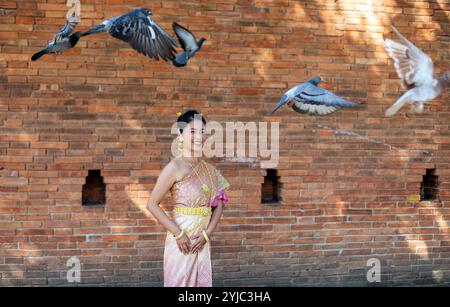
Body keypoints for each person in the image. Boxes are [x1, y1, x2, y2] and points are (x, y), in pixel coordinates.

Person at [146, 110, 230, 287]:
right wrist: (179, 234)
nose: (198, 136)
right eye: (192, 131)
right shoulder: (174, 167)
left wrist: (207, 234)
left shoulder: (209, 170)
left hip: (201, 241)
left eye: (202, 131)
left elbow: (219, 205)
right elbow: (152, 204)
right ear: (180, 134)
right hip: (181, 242)